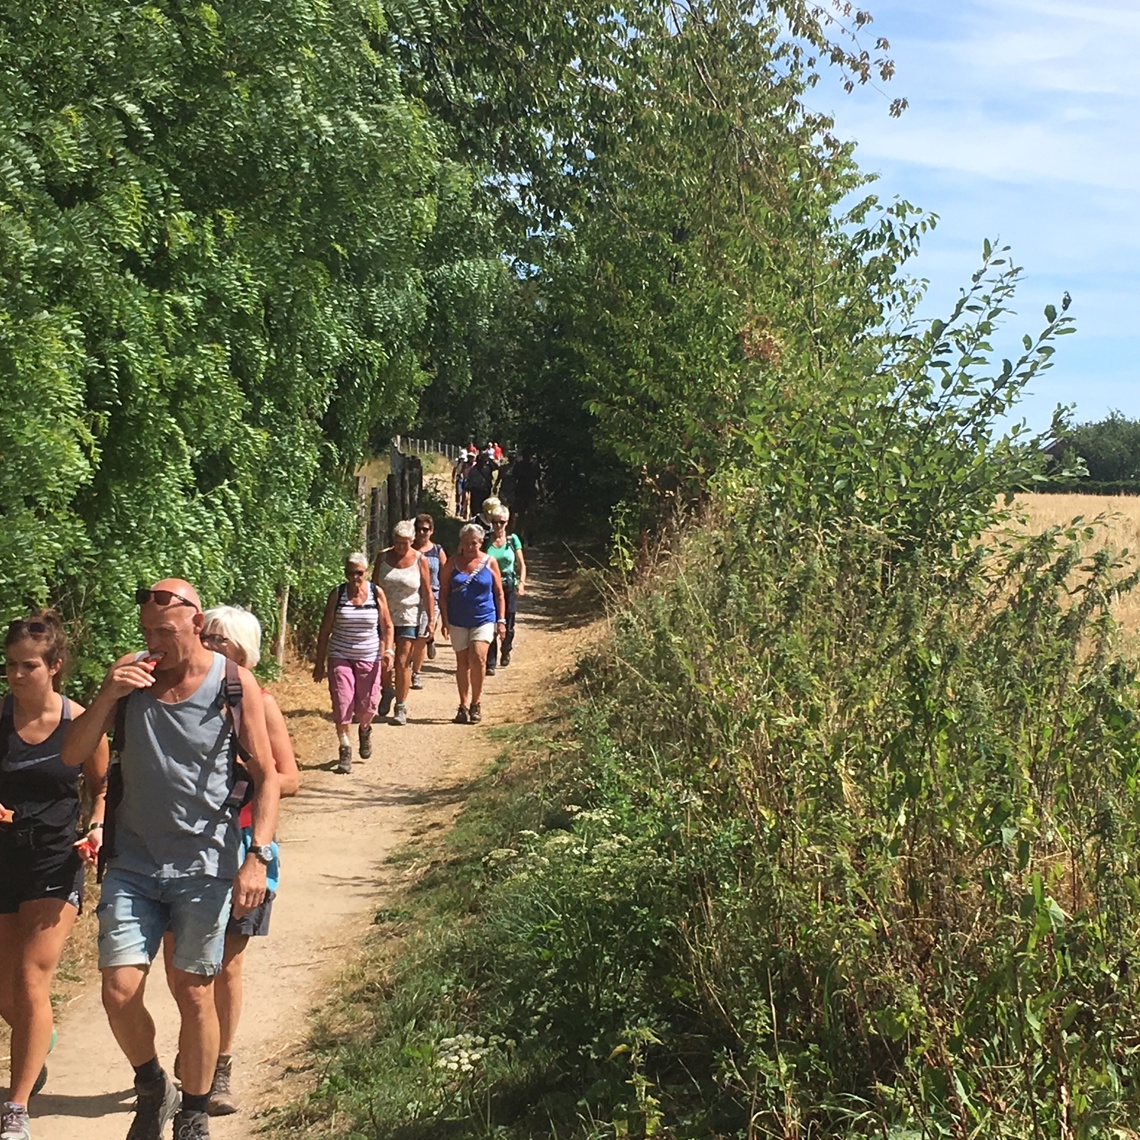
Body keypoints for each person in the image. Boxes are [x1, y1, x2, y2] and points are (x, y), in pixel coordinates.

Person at [63, 579, 280, 1140]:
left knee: (194, 992)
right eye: (147, 631)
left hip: (206, 865)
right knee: (118, 991)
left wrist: (256, 857)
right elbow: (71, 754)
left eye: (165, 630)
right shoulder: (129, 678)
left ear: (195, 621)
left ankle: (195, 1111)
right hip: (133, 863)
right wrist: (108, 693)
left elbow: (269, 777)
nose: (155, 642)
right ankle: (152, 1084)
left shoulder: (234, 683)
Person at [161, 606, 300, 1116]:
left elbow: (288, 778)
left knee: (227, 965)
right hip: (186, 847)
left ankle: (219, 1066)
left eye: (221, 640)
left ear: (242, 651)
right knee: (182, 969)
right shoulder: (181, 699)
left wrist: (245, 775)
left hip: (243, 846)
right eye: (208, 638)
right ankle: (192, 1049)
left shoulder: (259, 703)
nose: (212, 646)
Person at [1, 613, 109, 1140]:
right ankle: (37, 1038)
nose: (17, 675)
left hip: (53, 859)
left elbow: (103, 789)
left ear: (55, 667)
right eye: (11, 665)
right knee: (7, 991)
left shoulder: (80, 721)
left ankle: (16, 1109)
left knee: (30, 979)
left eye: (29, 666)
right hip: (2, 859)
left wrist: (96, 827)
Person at [312, 554, 394, 773]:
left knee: (367, 706)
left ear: (366, 572)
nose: (355, 577)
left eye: (359, 573)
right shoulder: (338, 595)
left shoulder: (376, 593)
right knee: (342, 701)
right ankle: (345, 747)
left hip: (369, 655)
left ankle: (365, 729)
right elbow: (325, 629)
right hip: (340, 654)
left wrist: (388, 650)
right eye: (350, 573)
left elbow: (387, 625)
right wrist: (319, 663)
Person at [439, 524, 506, 725]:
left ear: (481, 542)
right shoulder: (452, 563)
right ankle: (463, 704)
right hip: (458, 619)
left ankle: (476, 702)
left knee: (478, 656)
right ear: (461, 543)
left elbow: (499, 593)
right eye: (467, 543)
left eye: (474, 543)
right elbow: (443, 593)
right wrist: (444, 619)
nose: (470, 547)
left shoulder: (489, 562)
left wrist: (501, 620)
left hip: (484, 617)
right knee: (462, 662)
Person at [372, 522, 435, 726]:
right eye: (397, 542)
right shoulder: (383, 556)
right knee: (383, 661)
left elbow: (426, 591)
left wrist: (431, 620)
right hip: (384, 616)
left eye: (405, 543)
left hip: (409, 615)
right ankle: (387, 690)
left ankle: (401, 705)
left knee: (401, 662)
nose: (400, 547)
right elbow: (373, 587)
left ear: (412, 541)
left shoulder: (419, 559)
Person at [483, 506, 527, 677]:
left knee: (508, 621)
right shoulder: (486, 540)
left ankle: (506, 647)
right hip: (491, 586)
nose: (498, 526)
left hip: (509, 585)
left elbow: (522, 564)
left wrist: (521, 583)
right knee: (490, 623)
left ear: (507, 522)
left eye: (501, 522)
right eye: (495, 522)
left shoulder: (512, 540)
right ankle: (490, 662)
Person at [409, 514, 447, 689]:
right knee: (409, 636)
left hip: (432, 598)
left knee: (420, 637)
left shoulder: (437, 551)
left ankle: (415, 672)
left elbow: (445, 577)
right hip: (411, 597)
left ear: (431, 531)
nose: (422, 533)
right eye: (419, 529)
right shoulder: (408, 549)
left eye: (425, 529)